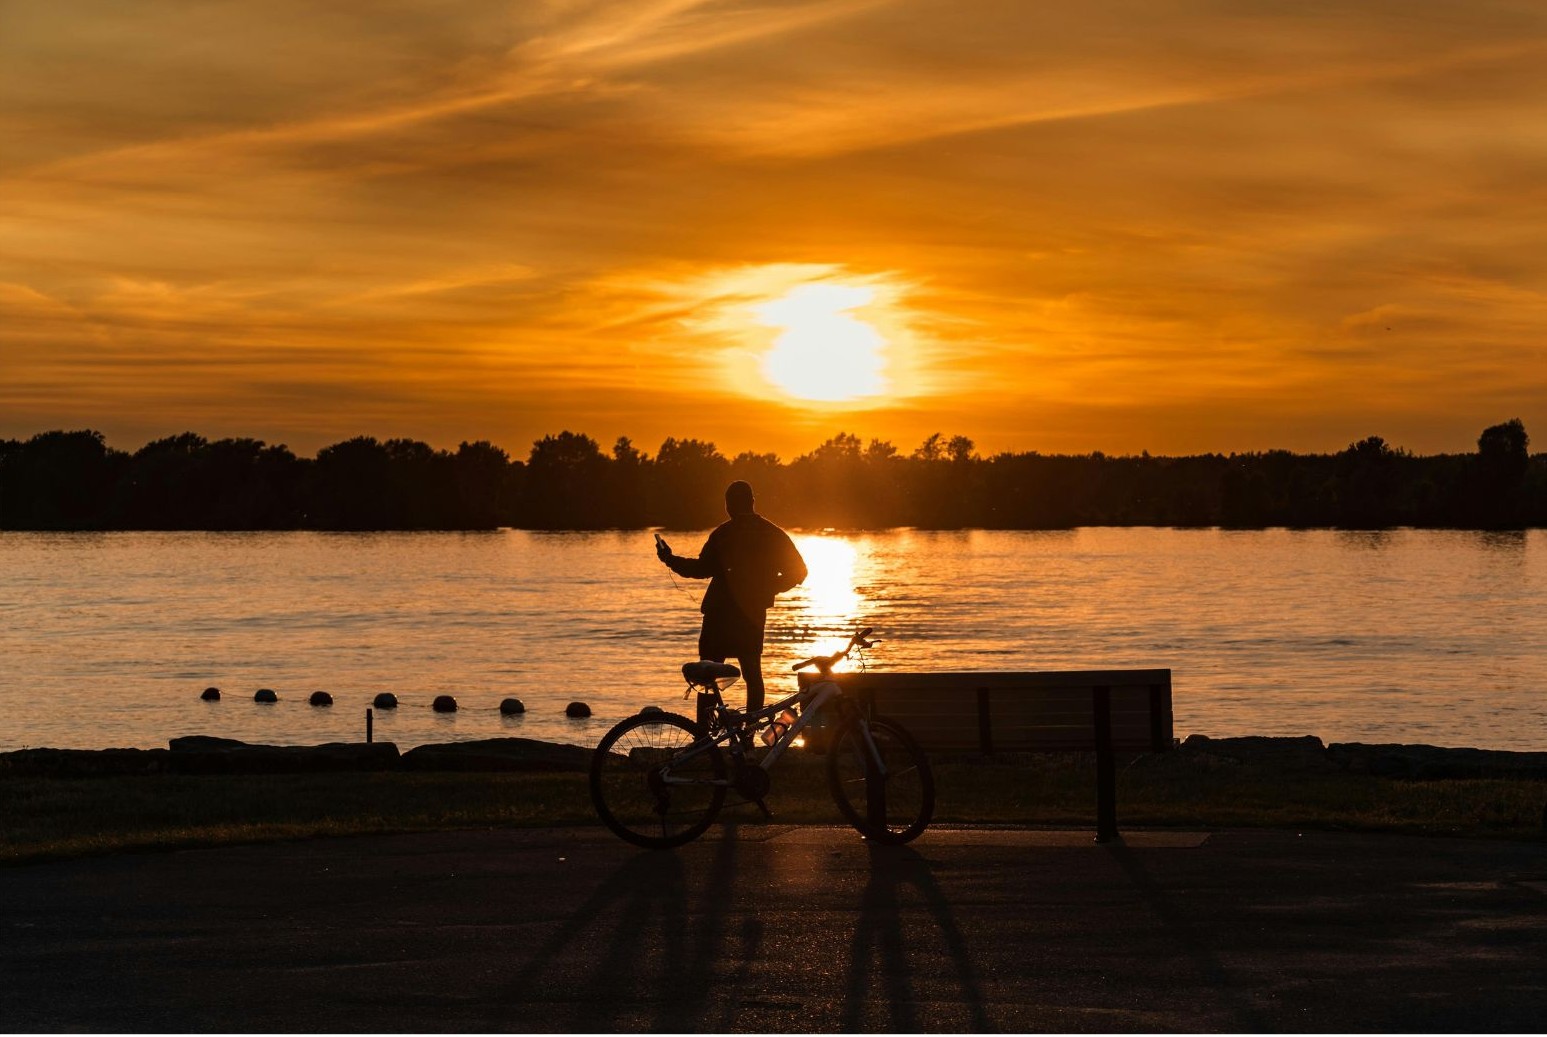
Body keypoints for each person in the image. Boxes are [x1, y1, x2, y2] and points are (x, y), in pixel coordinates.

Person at [656, 480, 807, 715]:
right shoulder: (772, 533)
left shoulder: (723, 534)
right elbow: (800, 571)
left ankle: (703, 736)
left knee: (708, 676)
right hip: (751, 614)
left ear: (728, 506)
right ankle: (749, 731)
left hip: (719, 614)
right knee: (752, 675)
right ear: (752, 502)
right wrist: (767, 589)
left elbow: (699, 569)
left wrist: (669, 559)